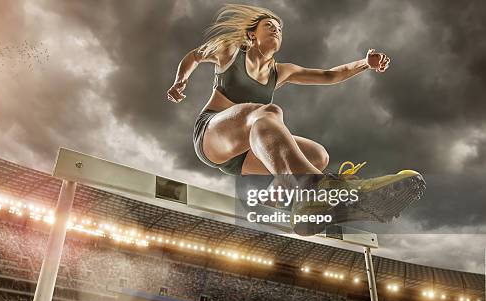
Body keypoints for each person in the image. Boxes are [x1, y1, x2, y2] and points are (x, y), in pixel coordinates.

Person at [167, 4, 425, 235]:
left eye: (279, 28)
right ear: (251, 34)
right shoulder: (230, 52)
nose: (276, 30)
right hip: (212, 136)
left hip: (246, 154)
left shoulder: (281, 71)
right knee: (269, 113)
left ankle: (291, 200)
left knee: (317, 155)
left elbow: (329, 75)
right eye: (269, 25)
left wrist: (364, 63)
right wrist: (181, 81)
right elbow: (195, 56)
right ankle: (310, 187)